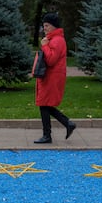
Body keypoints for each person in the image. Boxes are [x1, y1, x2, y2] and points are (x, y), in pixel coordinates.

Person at [33, 13, 76, 144]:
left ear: (53, 26)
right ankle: (67, 124)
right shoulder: (53, 39)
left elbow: (51, 60)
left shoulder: (57, 40)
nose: (44, 28)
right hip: (49, 76)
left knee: (44, 104)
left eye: (46, 25)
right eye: (43, 25)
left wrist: (44, 45)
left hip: (52, 77)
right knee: (44, 104)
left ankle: (48, 135)